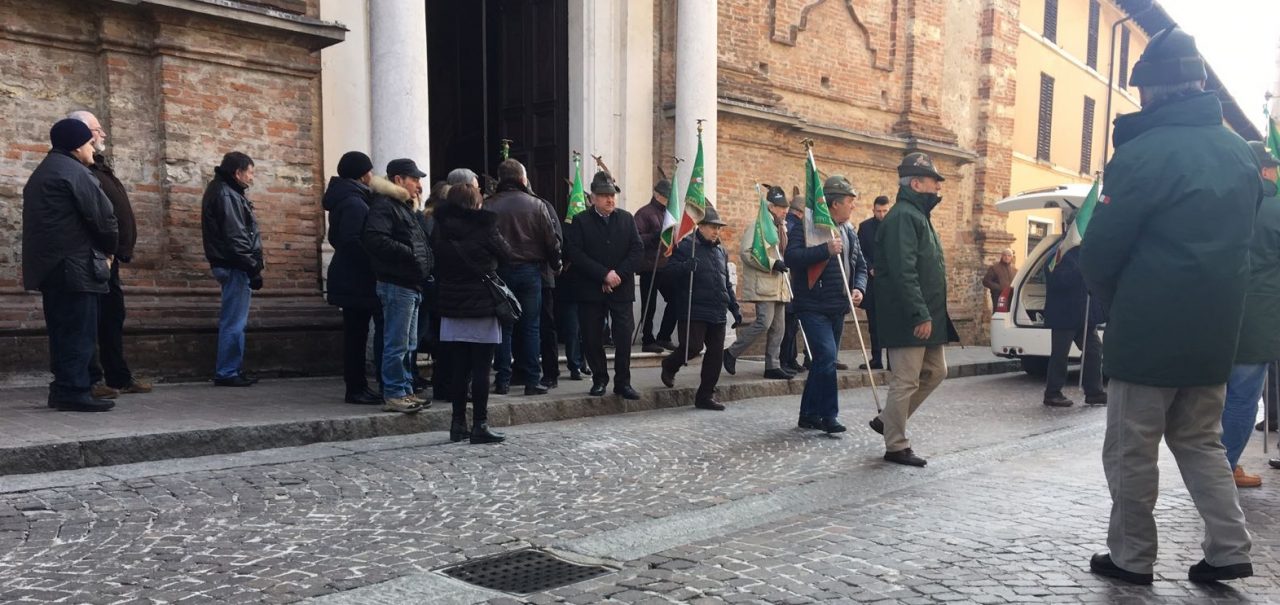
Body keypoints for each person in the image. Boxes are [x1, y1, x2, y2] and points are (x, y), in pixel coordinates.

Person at [1079, 27, 1256, 585]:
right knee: (1202, 442)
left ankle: (1133, 557)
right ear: (1199, 85)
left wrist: (1116, 306)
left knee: (1131, 449)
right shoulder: (1238, 152)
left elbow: (1101, 252)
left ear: (1152, 92)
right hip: (1214, 334)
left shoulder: (1143, 153)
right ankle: (1230, 547)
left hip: (1149, 333)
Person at [23, 118, 119, 412]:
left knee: (63, 331)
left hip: (53, 267)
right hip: (75, 267)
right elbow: (103, 219)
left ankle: (64, 388)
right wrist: (110, 249)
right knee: (79, 331)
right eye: (90, 143)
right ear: (78, 145)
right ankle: (74, 390)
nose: (93, 149)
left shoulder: (44, 172)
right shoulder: (74, 172)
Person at [870, 153, 954, 467]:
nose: (937, 187)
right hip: (910, 316)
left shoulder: (918, 215)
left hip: (927, 315)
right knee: (905, 380)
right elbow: (904, 271)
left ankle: (887, 419)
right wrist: (919, 313)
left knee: (936, 372)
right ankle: (896, 445)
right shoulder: (904, 216)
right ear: (916, 183)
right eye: (933, 181)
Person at [68, 111, 151, 399]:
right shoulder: (79, 168)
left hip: (109, 258)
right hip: (95, 258)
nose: (102, 135)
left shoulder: (97, 165)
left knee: (112, 317)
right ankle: (92, 380)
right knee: (90, 319)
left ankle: (118, 376)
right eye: (97, 129)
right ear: (81, 133)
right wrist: (104, 249)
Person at [785, 175, 867, 434]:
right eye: (849, 201)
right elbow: (791, 257)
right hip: (812, 305)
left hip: (838, 307)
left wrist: (858, 288)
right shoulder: (808, 228)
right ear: (833, 204)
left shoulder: (849, 232)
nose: (853, 206)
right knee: (828, 358)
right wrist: (825, 250)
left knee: (822, 361)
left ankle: (807, 414)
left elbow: (860, 266)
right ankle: (829, 415)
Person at [1219, 141, 1280, 489]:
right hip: (1258, 318)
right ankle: (1224, 467)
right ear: (1266, 171)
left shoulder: (1221, 204)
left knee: (1216, 398)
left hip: (1217, 313)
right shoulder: (1275, 207)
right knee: (1243, 398)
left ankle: (1216, 464)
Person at [431, 182, 511, 444]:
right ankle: (480, 424)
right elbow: (506, 253)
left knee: (458, 368)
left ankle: (457, 424)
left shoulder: (440, 228)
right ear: (477, 203)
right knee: (480, 369)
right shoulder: (484, 226)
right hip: (481, 305)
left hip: (452, 305)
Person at [361, 159, 433, 414]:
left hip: (411, 283)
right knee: (397, 342)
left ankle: (404, 390)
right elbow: (375, 238)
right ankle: (393, 393)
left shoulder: (403, 206)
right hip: (397, 283)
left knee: (409, 342)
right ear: (399, 180)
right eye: (414, 179)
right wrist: (409, 253)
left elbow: (420, 237)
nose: (418, 184)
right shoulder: (384, 205)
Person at [564, 171, 644, 400]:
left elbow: (637, 250)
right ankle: (599, 379)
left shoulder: (627, 219)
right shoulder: (580, 221)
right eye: (604, 195)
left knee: (623, 336)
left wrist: (617, 275)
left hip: (622, 288)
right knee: (591, 337)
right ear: (592, 198)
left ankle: (623, 382)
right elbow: (576, 254)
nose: (610, 199)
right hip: (591, 289)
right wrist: (603, 275)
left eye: (612, 195)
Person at [487, 159, 561, 395]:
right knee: (531, 326)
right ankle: (531, 379)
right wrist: (555, 264)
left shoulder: (488, 205)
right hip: (530, 271)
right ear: (522, 179)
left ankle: (503, 379)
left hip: (500, 271)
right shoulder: (536, 205)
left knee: (503, 326)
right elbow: (551, 240)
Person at [660, 206, 741, 409]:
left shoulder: (721, 250)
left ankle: (705, 395)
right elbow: (667, 273)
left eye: (718, 228)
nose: (716, 231)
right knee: (692, 347)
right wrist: (685, 266)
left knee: (715, 355)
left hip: (717, 309)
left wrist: (734, 306)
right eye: (712, 227)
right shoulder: (686, 246)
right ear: (700, 226)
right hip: (693, 307)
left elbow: (726, 282)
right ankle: (670, 365)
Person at [323, 151, 384, 405]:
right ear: (362, 174)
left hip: (351, 276)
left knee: (356, 335)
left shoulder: (348, 199)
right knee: (356, 336)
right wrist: (375, 262)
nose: (372, 175)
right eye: (369, 171)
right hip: (355, 279)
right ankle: (356, 388)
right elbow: (351, 241)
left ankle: (358, 386)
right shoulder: (354, 202)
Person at [202, 151, 263, 388]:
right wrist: (252, 267)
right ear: (238, 172)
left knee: (234, 319)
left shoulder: (225, 191)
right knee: (234, 321)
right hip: (235, 265)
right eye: (250, 173)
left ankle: (231, 368)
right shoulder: (226, 194)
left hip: (232, 264)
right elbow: (236, 237)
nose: (251, 178)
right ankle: (228, 371)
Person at [725, 185, 793, 380]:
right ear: (771, 207)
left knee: (778, 327)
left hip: (779, 284)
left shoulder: (781, 227)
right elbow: (747, 253)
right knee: (764, 322)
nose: (784, 211)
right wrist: (773, 264)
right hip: (764, 283)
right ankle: (731, 352)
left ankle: (772, 365)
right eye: (781, 208)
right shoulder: (758, 226)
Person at [1041, 246, 1105, 407]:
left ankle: (1094, 392)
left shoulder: (1088, 253)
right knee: (1060, 355)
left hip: (1085, 316)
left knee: (1094, 350)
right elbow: (1056, 279)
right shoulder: (1058, 254)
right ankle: (1052, 393)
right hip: (1064, 315)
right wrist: (1080, 271)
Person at [634, 179, 678, 353]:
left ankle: (664, 336)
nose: (667, 200)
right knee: (649, 305)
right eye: (665, 196)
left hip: (666, 265)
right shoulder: (644, 213)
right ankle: (647, 339)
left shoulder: (669, 214)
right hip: (649, 266)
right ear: (656, 194)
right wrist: (654, 236)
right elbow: (636, 238)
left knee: (676, 299)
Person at [857, 195, 890, 370]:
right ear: (873, 210)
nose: (882, 215)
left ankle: (893, 361)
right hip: (873, 282)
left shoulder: (896, 226)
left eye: (885, 211)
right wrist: (869, 267)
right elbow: (859, 251)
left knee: (892, 323)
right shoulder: (865, 227)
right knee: (874, 324)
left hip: (892, 283)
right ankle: (876, 359)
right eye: (879, 211)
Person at [779, 192, 810, 374]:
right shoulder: (794, 226)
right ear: (801, 212)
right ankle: (786, 360)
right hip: (791, 280)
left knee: (791, 323)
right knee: (789, 324)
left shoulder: (788, 224)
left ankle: (791, 359)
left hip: (789, 280)